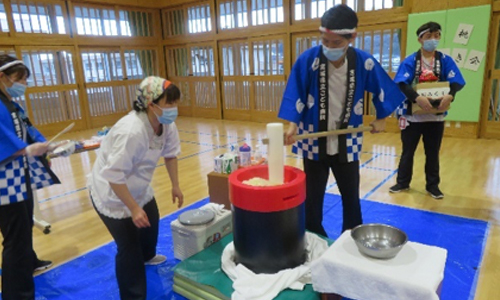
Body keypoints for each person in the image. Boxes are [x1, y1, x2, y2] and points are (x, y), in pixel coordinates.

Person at [278, 4, 406, 236]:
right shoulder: (309, 60)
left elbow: (382, 88)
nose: (329, 47)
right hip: (313, 139)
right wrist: (292, 125)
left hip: (348, 139)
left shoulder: (363, 62)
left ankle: (351, 235)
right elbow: (296, 91)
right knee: (312, 195)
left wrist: (381, 118)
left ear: (352, 37)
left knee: (350, 194)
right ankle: (313, 235)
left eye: (336, 43)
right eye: (325, 42)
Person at [87, 76, 184, 300]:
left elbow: (170, 154)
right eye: (170, 103)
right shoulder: (131, 131)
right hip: (111, 190)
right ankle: (133, 296)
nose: (174, 109)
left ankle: (148, 255)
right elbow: (113, 175)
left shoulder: (166, 124)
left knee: (151, 219)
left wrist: (176, 186)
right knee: (128, 246)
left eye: (176, 103)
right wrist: (132, 208)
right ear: (151, 105)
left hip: (138, 184)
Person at [0, 55, 57, 299]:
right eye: (18, 79)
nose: (23, 83)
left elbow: (28, 129)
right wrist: (25, 149)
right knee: (15, 237)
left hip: (18, 175)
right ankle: (17, 294)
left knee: (24, 223)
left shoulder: (11, 102)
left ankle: (29, 261)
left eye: (24, 79)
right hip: (4, 181)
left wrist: (48, 145)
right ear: (1, 77)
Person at [389, 22, 465, 199]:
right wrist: (417, 98)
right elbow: (401, 83)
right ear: (420, 39)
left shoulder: (445, 60)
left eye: (437, 35)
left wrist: (451, 95)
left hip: (435, 116)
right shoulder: (410, 61)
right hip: (412, 116)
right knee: (408, 151)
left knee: (433, 152)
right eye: (429, 36)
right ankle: (402, 182)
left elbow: (456, 81)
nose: (433, 39)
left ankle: (432, 186)